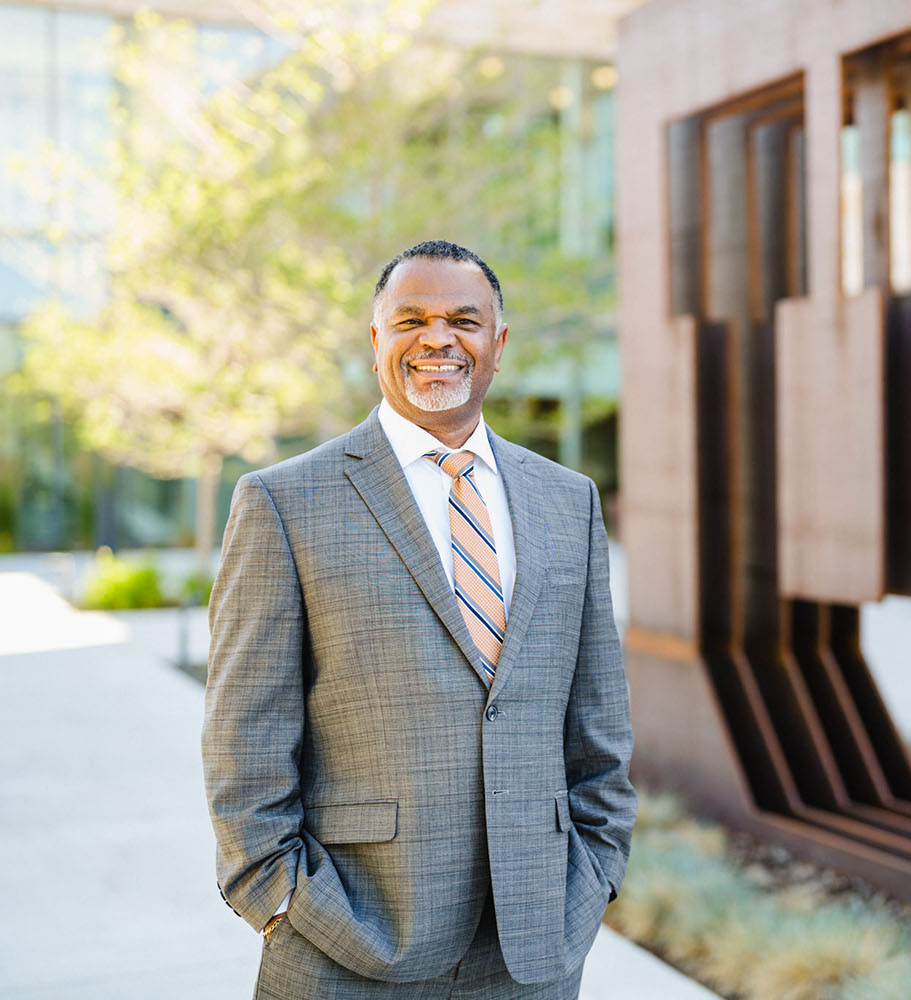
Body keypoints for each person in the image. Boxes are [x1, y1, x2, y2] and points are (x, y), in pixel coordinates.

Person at [203, 240, 635, 999]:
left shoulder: (570, 502)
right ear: (377, 344)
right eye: (412, 320)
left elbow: (598, 722)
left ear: (497, 346)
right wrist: (276, 901)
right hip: (346, 942)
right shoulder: (283, 502)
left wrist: (595, 876)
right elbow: (244, 736)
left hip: (532, 951)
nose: (438, 338)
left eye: (464, 320)